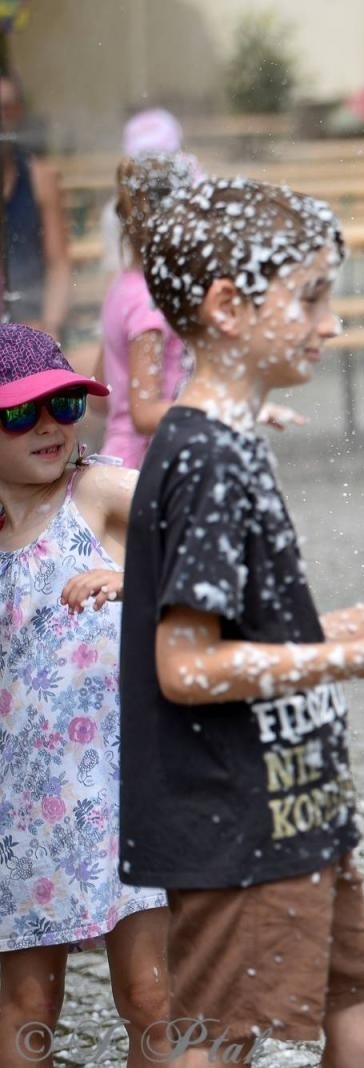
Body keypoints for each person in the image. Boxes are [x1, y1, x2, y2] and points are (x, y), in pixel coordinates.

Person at [120, 177, 364, 1066]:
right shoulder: (207, 454)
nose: (333, 324)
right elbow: (185, 665)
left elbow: (259, 628)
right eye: (312, 297)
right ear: (228, 309)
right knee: (215, 1046)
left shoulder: (230, 440)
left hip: (295, 802)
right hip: (236, 814)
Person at [0, 325, 172, 1068]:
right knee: (27, 1008)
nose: (49, 426)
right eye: (19, 413)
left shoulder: (97, 491)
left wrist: (140, 584)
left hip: (123, 791)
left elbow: (228, 545)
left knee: (151, 997)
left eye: (66, 403)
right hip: (19, 810)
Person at [98, 154, 195, 468]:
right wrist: (219, 406)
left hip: (123, 456)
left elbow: (102, 381)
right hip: (143, 468)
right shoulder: (148, 306)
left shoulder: (125, 286)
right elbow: (144, 414)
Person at [0, 76, 68, 339]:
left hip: (32, 318)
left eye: (8, 107)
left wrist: (49, 327)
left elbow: (59, 264)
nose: (2, 117)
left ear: (20, 112)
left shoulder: (41, 178)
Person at [99, 108, 190, 275]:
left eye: (161, 160)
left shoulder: (115, 212)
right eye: (147, 162)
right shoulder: (115, 214)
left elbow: (115, 278)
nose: (155, 172)